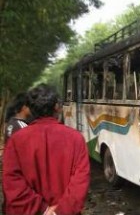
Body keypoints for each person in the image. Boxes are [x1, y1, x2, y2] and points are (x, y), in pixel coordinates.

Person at [2, 84, 90, 215]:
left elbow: (12, 182)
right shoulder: (76, 138)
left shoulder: (16, 140)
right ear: (56, 107)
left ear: (30, 110)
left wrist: (42, 209)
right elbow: (80, 181)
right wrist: (60, 211)